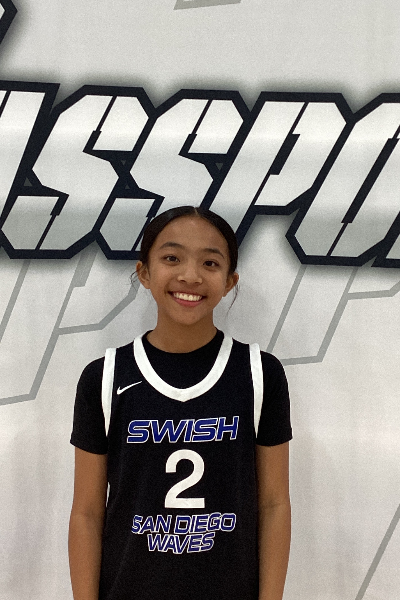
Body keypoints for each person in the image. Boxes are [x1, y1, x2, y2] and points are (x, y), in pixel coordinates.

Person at [69, 205, 292, 600]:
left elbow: (274, 504)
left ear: (229, 281)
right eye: (172, 258)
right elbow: (86, 513)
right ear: (144, 272)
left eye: (210, 262)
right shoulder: (104, 377)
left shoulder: (260, 373)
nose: (190, 275)